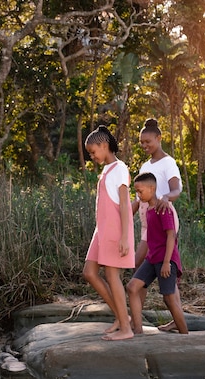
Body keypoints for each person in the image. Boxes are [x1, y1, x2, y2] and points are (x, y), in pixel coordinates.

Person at [128, 118, 182, 333]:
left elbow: (176, 190)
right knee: (140, 271)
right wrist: (123, 216)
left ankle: (139, 321)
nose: (144, 146)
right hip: (146, 223)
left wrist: (165, 198)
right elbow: (139, 196)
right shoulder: (145, 166)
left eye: (148, 141)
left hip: (162, 223)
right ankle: (137, 319)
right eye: (141, 142)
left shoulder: (168, 163)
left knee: (141, 269)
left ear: (159, 138)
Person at [83, 125, 135, 341]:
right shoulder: (107, 170)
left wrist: (124, 236)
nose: (92, 156)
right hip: (101, 230)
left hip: (114, 229)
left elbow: (124, 204)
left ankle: (126, 328)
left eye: (94, 151)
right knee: (89, 272)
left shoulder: (120, 168)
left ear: (104, 146)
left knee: (112, 275)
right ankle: (122, 318)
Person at [127, 172, 188, 334]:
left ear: (152, 188)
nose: (138, 195)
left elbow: (171, 236)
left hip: (165, 259)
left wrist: (167, 262)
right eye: (136, 192)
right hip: (152, 259)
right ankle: (138, 329)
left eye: (140, 191)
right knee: (132, 287)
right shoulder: (148, 210)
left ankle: (186, 336)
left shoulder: (164, 208)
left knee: (169, 298)